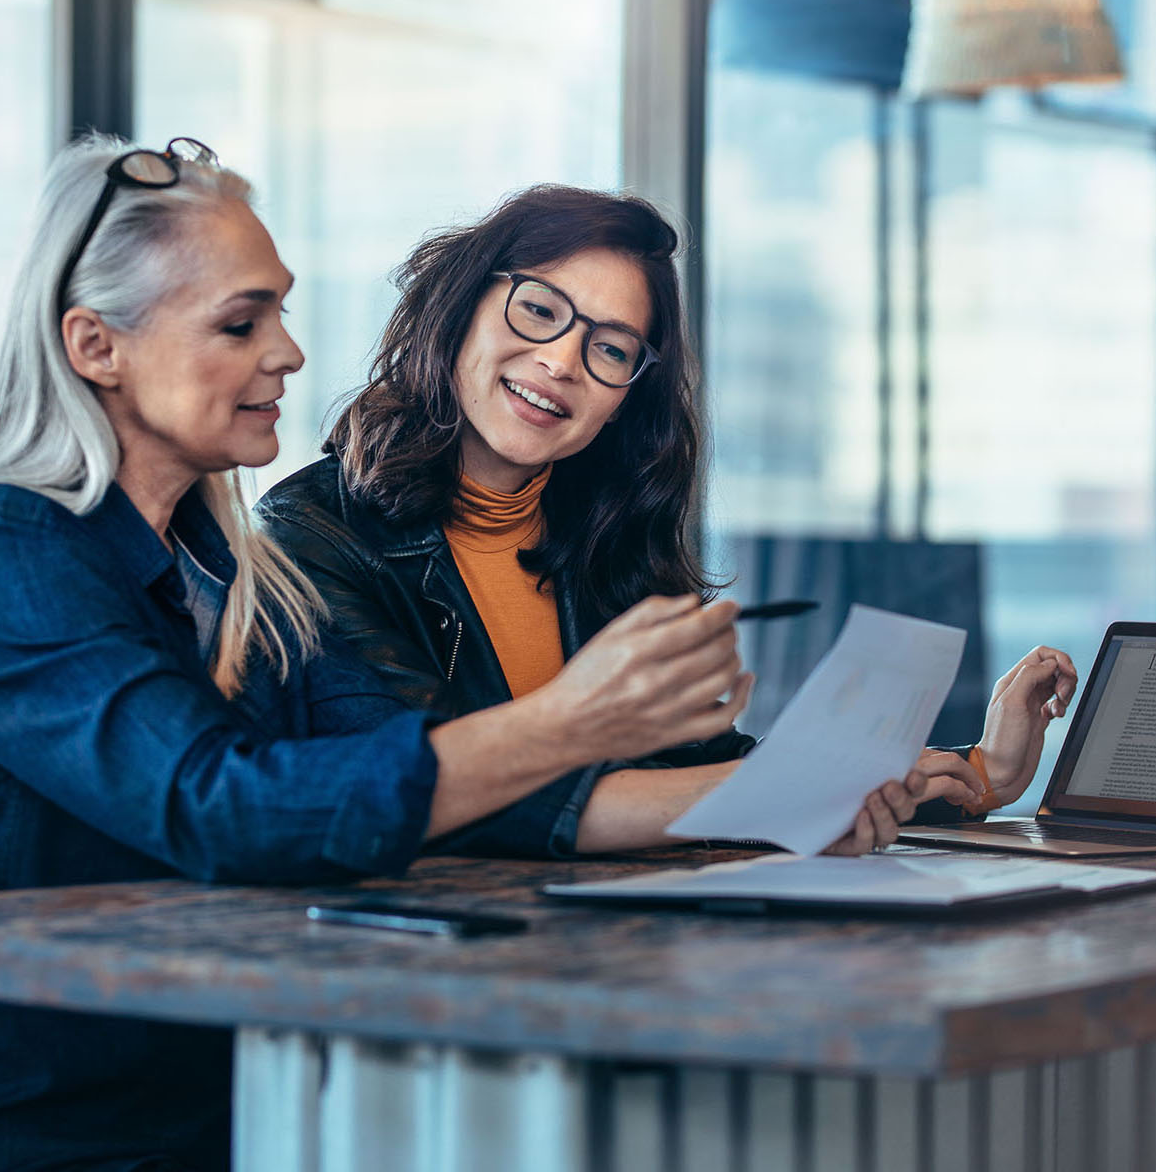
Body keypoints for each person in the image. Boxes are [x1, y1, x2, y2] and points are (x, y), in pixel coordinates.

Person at [0, 141, 938, 1171]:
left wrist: (821, 790)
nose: (289, 352)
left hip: (223, 1098)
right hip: (22, 1131)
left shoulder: (220, 565)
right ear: (96, 346)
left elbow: (399, 785)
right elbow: (223, 807)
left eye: (283, 312)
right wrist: (572, 720)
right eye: (240, 323)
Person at [259, 185, 1079, 856]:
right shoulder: (308, 537)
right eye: (539, 310)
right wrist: (796, 794)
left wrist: (980, 772)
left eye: (611, 349)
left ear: (625, 400)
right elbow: (438, 793)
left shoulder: (602, 541)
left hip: (606, 955)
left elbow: (696, 770)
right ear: (461, 307)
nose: (562, 362)